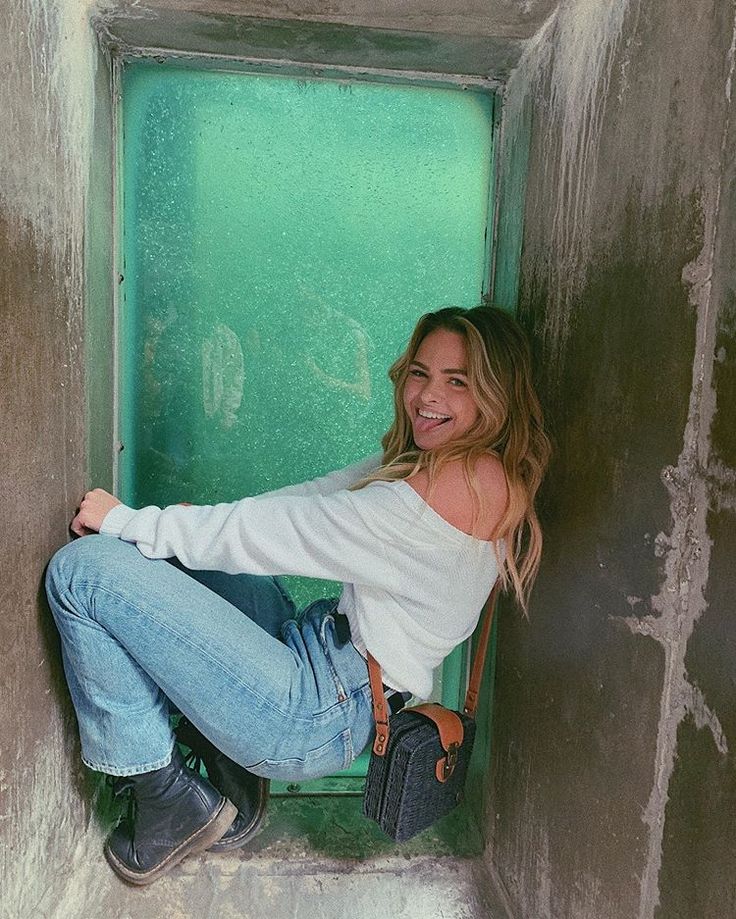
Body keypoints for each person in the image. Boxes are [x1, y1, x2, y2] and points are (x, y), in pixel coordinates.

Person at [45, 304, 550, 885]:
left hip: (313, 712)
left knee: (82, 573)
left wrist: (135, 521)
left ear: (494, 393)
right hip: (314, 653)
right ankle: (234, 777)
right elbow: (315, 501)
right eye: (420, 372)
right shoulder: (453, 463)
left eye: (456, 381)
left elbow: (288, 535)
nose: (426, 395)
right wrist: (184, 525)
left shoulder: (449, 491)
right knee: (171, 553)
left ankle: (164, 796)